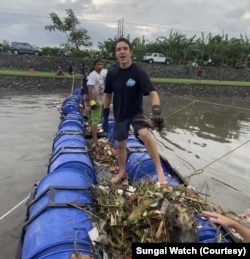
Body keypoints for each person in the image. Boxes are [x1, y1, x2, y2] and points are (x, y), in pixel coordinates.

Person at [102, 37, 168, 186]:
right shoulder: (112, 74)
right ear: (116, 54)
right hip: (119, 115)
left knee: (145, 134)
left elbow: (153, 93)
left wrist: (156, 111)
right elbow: (107, 94)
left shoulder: (139, 72)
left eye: (125, 49)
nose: (122, 52)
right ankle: (122, 172)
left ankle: (160, 171)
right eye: (119, 49)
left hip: (136, 113)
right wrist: (105, 115)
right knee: (120, 145)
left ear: (131, 52)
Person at [87, 60, 104, 141]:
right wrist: (92, 102)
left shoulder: (100, 75)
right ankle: (94, 137)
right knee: (95, 119)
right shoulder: (93, 75)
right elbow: (90, 89)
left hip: (100, 99)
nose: (100, 66)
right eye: (98, 64)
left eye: (101, 64)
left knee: (97, 118)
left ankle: (94, 133)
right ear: (94, 66)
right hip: (95, 100)